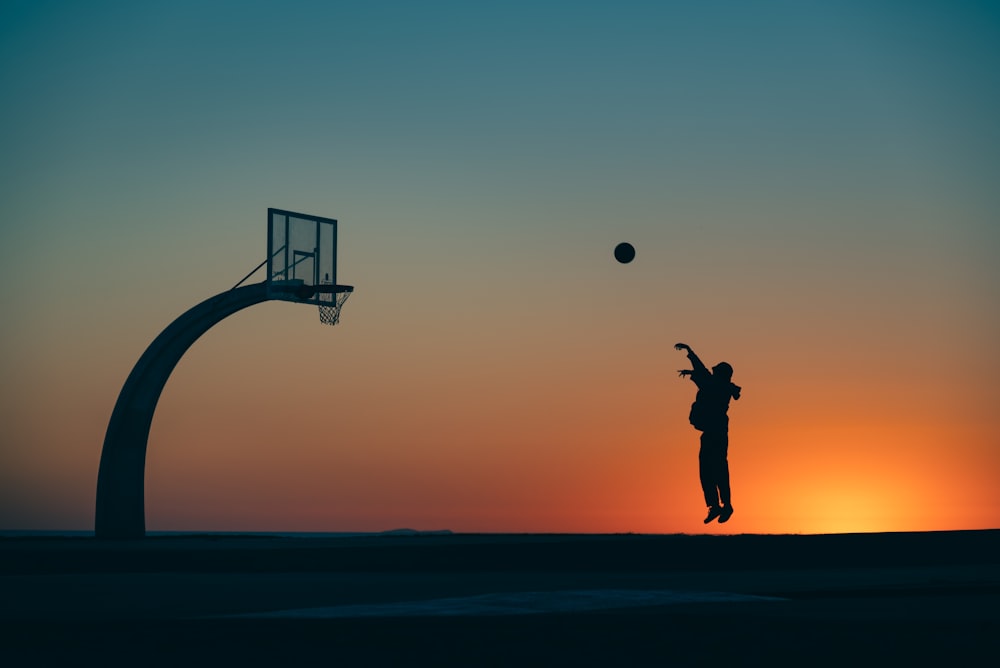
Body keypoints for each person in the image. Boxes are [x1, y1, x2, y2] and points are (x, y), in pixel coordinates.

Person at [675, 343, 742, 524]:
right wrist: (690, 355)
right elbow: (703, 374)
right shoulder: (720, 385)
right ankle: (716, 506)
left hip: (716, 434)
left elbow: (703, 374)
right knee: (709, 470)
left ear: (720, 375)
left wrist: (691, 355)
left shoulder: (717, 386)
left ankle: (724, 505)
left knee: (716, 470)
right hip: (713, 433)